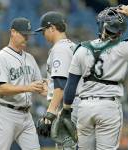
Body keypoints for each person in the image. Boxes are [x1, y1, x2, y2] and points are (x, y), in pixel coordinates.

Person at [58, 6, 128, 150]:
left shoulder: (82, 49)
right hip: (109, 107)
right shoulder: (124, 48)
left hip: (84, 108)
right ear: (121, 30)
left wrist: (66, 110)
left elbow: (71, 86)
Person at [0, 17, 46, 150]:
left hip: (26, 114)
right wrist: (28, 88)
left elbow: (41, 85)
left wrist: (55, 100)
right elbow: (1, 88)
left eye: (28, 35)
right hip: (5, 113)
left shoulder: (30, 58)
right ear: (13, 32)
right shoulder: (1, 57)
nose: (27, 38)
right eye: (23, 34)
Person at [35, 11, 81, 149]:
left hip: (71, 107)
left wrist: (50, 114)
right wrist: (49, 89)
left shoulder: (60, 49)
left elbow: (61, 86)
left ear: (52, 28)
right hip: (76, 102)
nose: (43, 34)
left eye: (43, 31)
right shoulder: (71, 46)